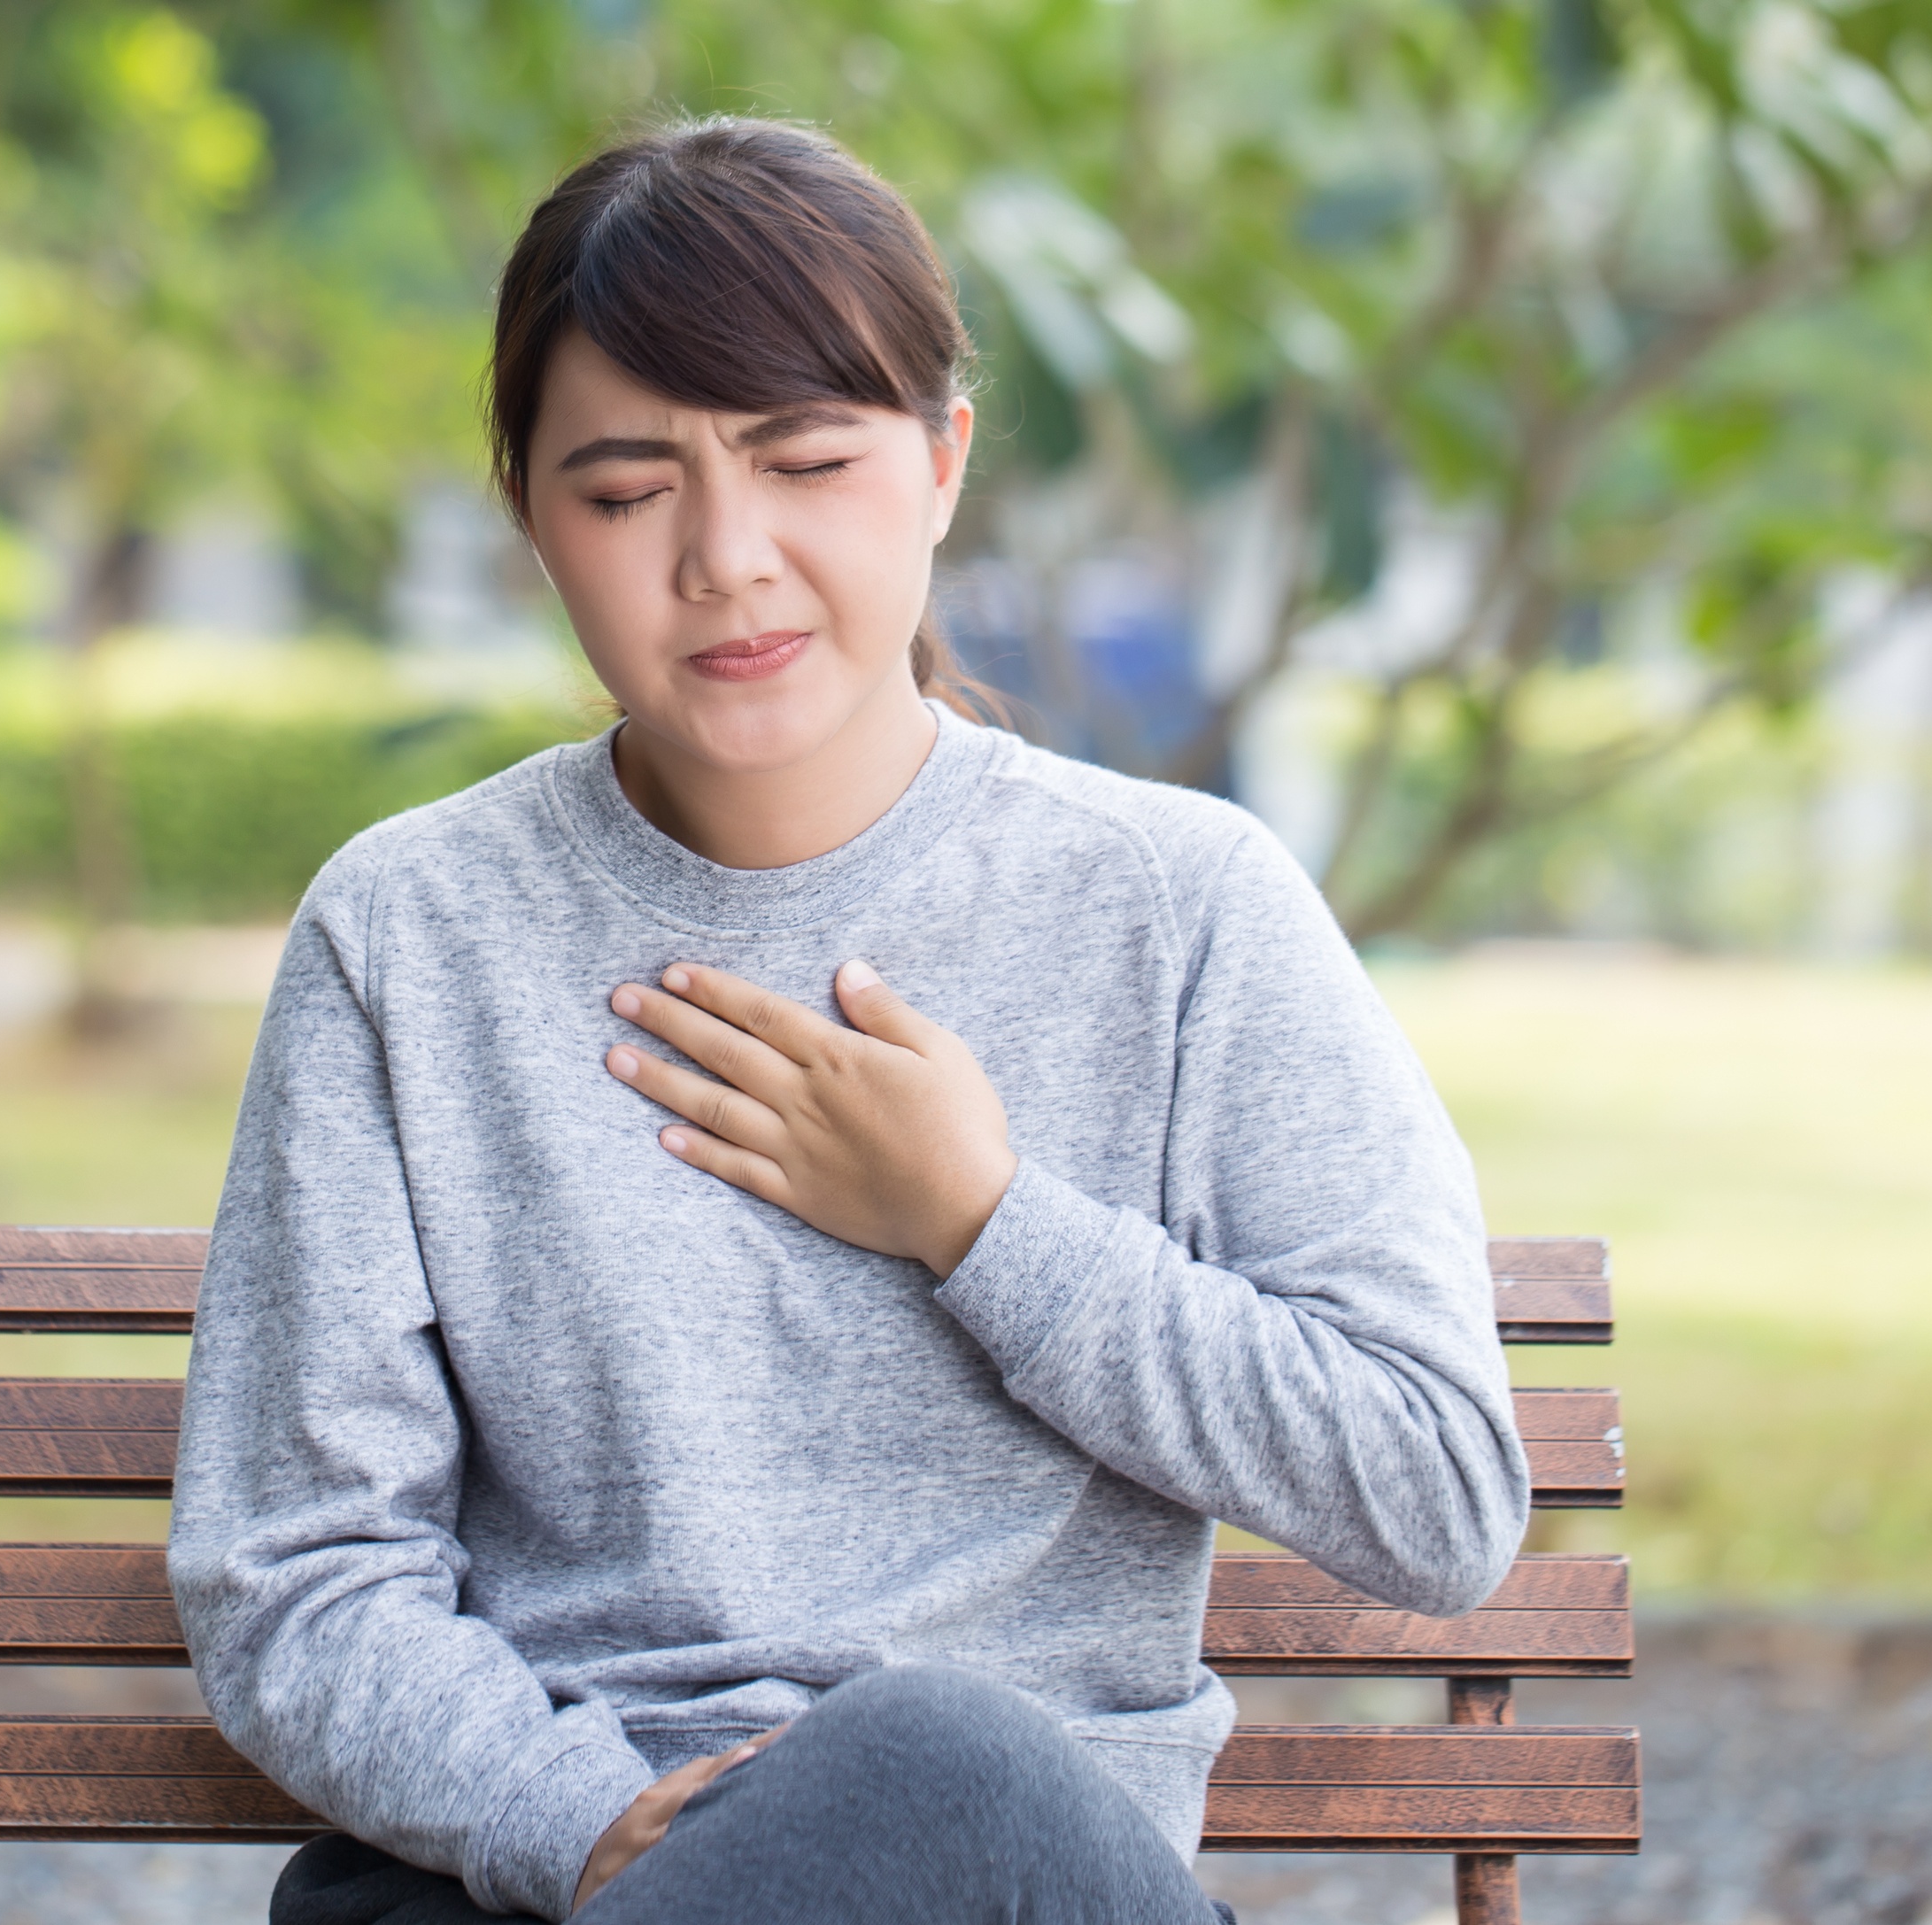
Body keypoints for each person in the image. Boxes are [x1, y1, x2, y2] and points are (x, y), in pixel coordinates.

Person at [166, 118, 1528, 1925]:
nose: (725, 557)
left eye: (805, 460)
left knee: (927, 1759)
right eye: (626, 490)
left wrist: (986, 1226)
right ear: (528, 519)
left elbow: (1435, 1492)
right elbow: (300, 1570)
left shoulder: (1182, 908)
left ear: (945, 460)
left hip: (1024, 1886)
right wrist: (570, 1810)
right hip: (555, 1882)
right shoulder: (408, 935)